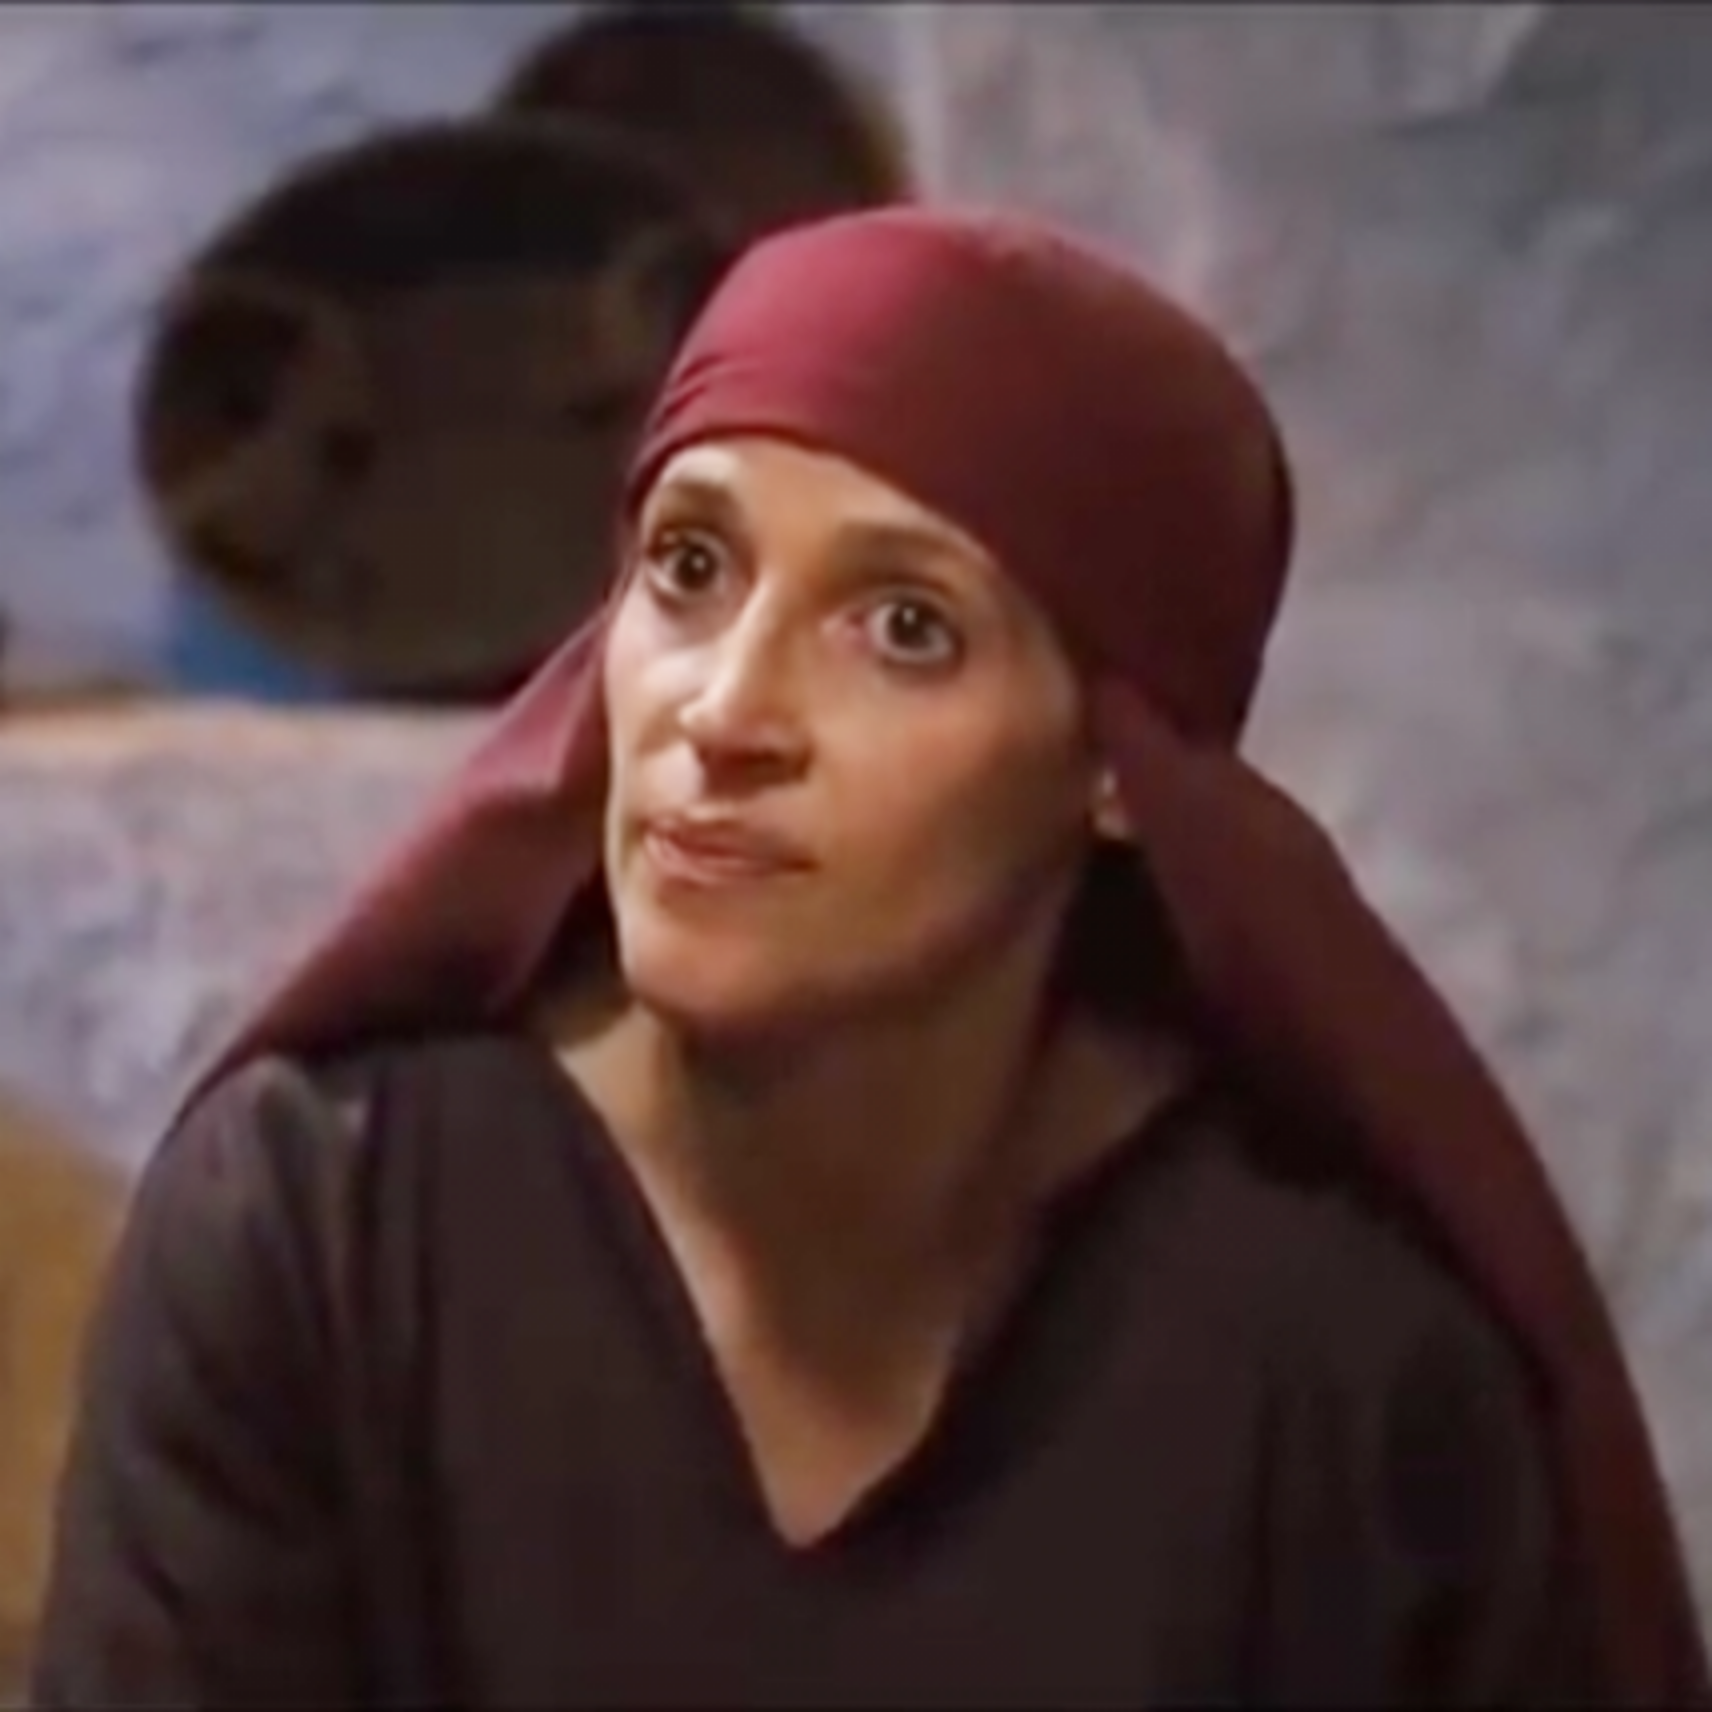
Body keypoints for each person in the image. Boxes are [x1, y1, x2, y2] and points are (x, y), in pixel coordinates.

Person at [30, 208, 1708, 1708]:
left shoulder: (1345, 1387)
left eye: (904, 627)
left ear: (1120, 767)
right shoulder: (319, 1231)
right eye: (689, 569)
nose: (725, 710)